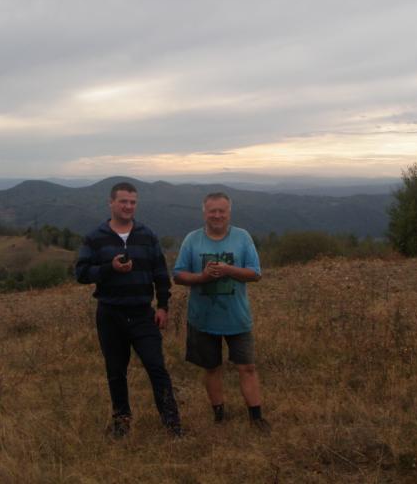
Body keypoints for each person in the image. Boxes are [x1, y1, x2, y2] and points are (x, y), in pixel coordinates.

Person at [75, 181, 182, 437]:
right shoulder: (95, 237)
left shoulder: (147, 235)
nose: (128, 206)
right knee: (116, 371)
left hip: (142, 313)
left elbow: (160, 273)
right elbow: (81, 273)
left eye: (133, 202)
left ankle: (172, 424)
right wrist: (109, 268)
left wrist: (163, 306)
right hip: (110, 314)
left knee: (156, 367)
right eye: (123, 201)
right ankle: (121, 423)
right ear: (111, 203)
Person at [173, 191, 270, 432]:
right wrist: (202, 277)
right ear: (204, 212)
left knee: (247, 367)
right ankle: (219, 415)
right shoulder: (192, 240)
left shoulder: (242, 237)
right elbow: (178, 275)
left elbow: (255, 273)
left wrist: (228, 270)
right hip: (202, 319)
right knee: (212, 367)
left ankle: (256, 418)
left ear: (229, 212)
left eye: (222, 211)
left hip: (237, 318)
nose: (217, 215)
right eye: (212, 211)